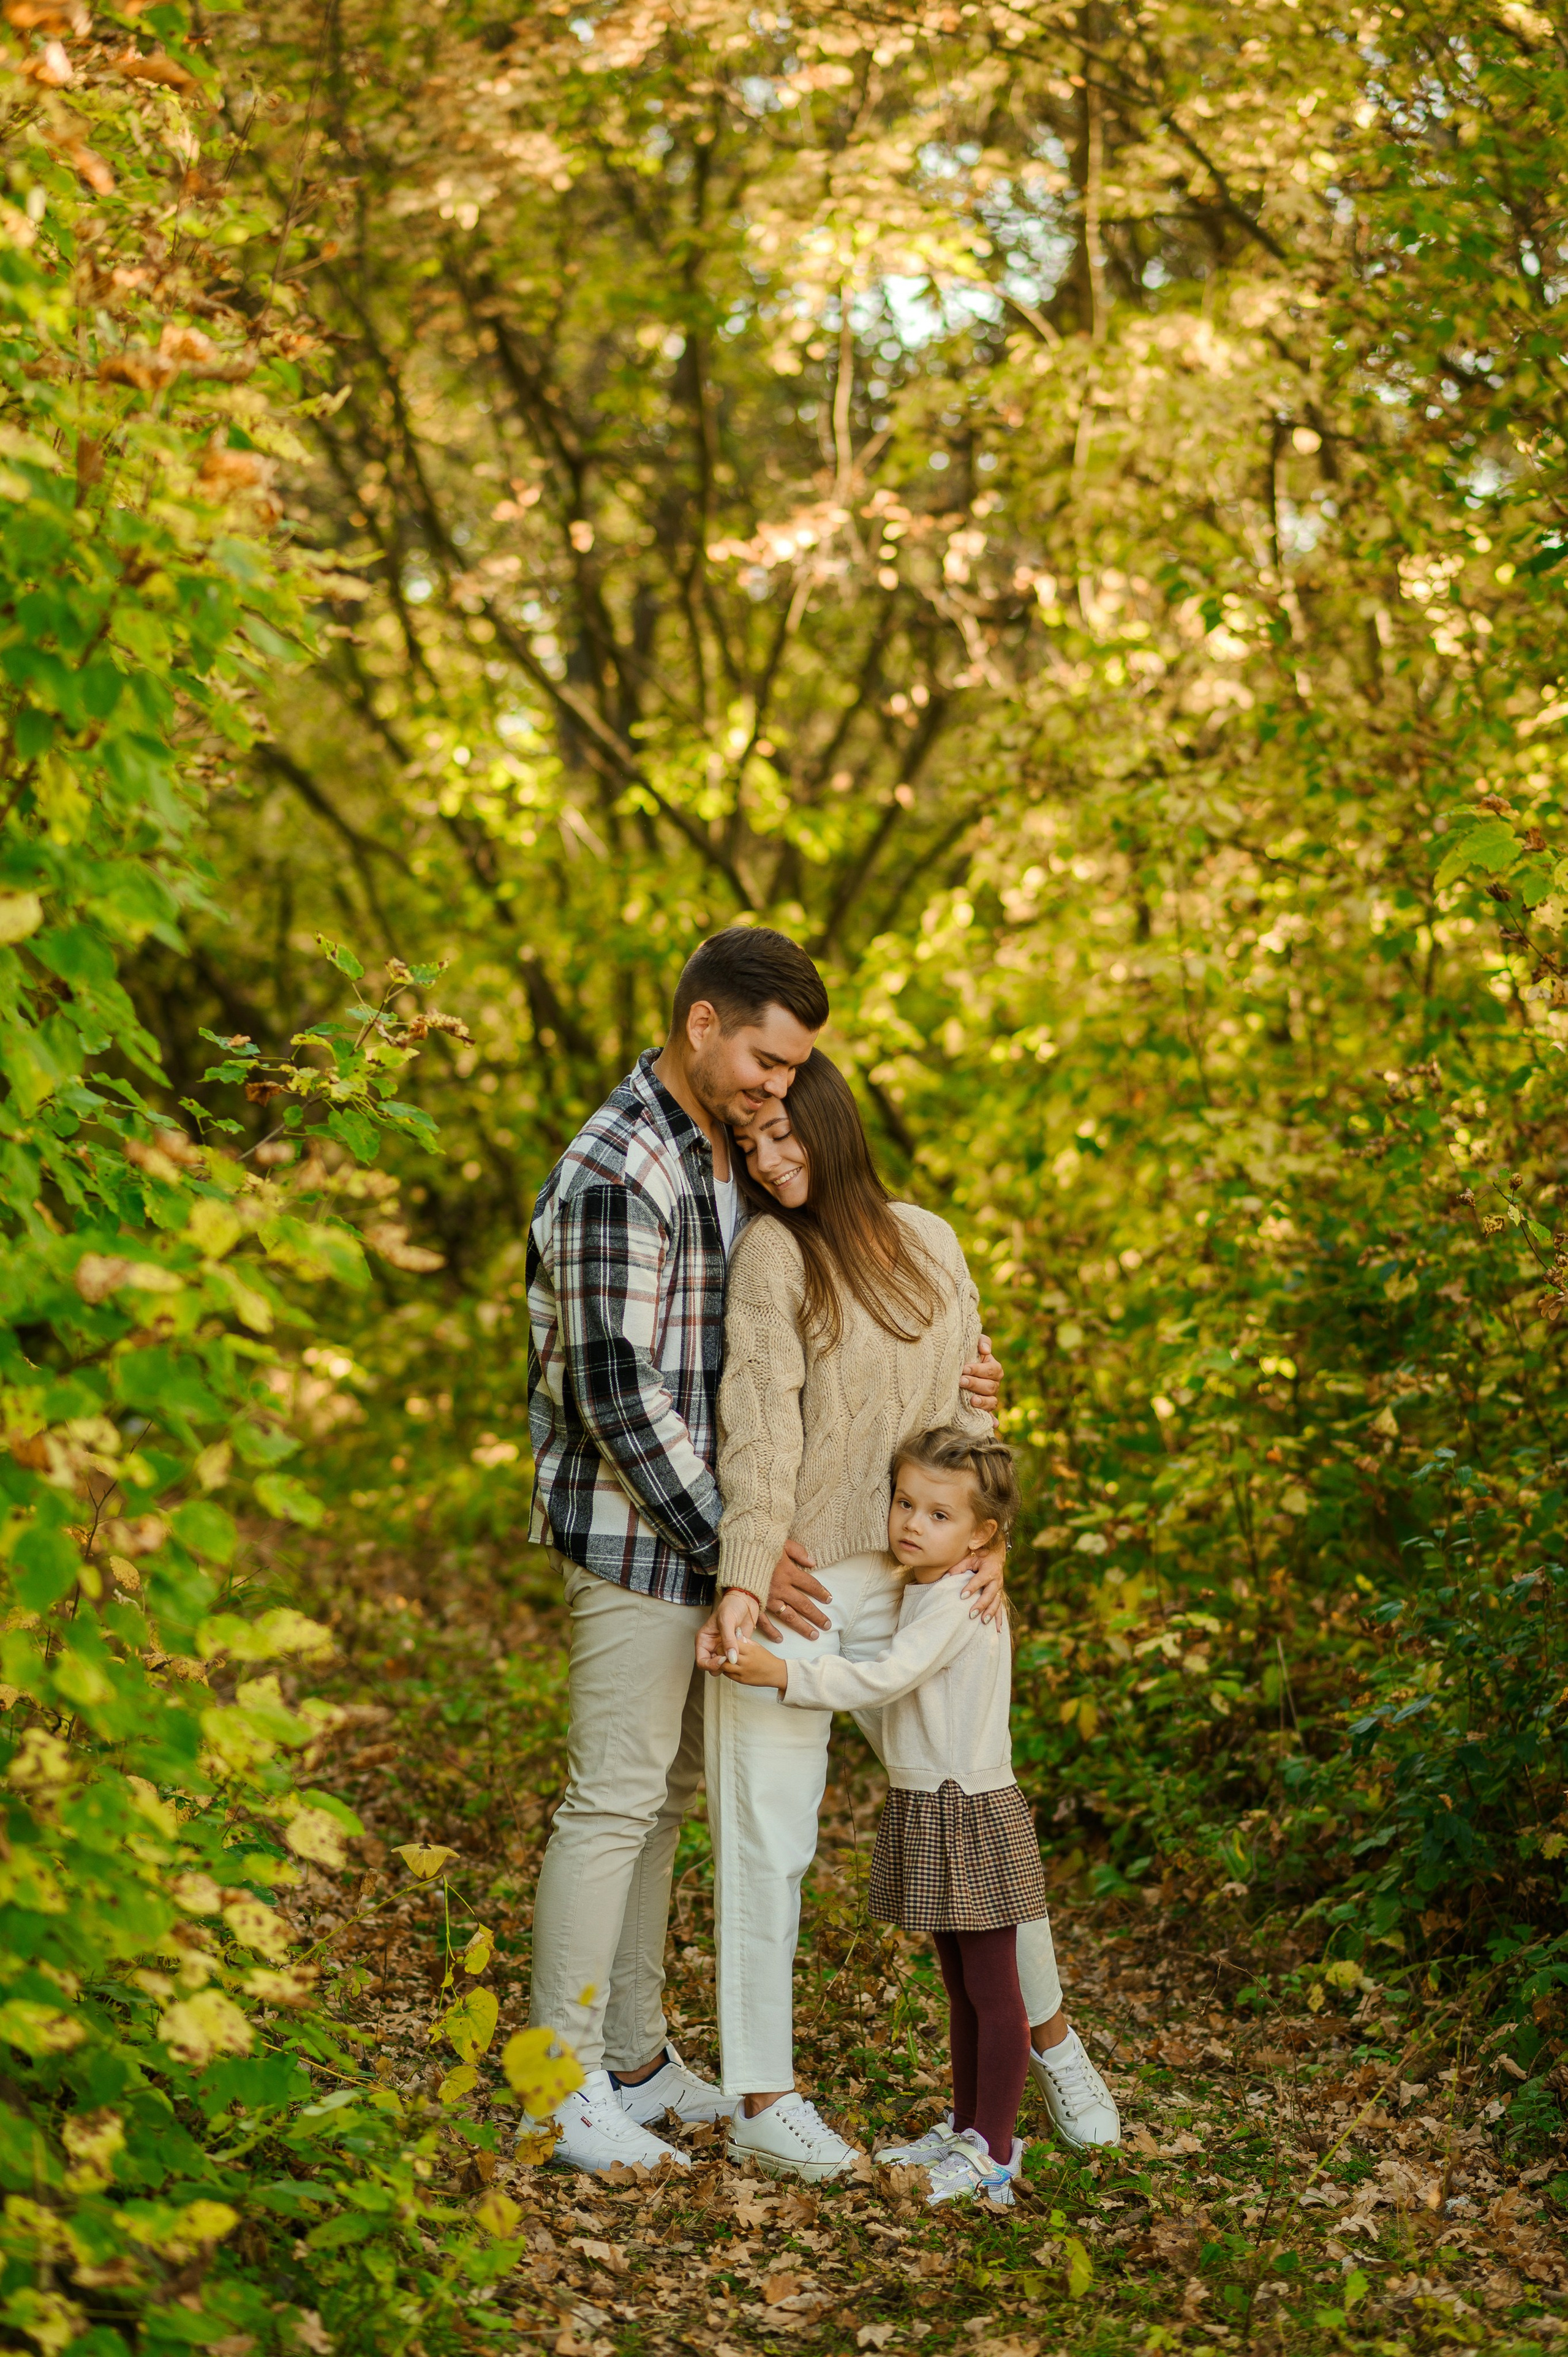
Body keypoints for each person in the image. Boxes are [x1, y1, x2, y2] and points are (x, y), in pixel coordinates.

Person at [522, 928, 999, 2174]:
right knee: (612, 1799)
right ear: (698, 1024)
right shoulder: (620, 1163)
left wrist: (958, 1384)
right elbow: (610, 1387)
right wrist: (742, 1549)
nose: (776, 1086)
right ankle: (554, 2083)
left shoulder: (719, 1154)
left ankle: (629, 2057)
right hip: (636, 1536)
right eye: (763, 1057)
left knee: (665, 1801)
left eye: (794, 1070)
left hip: (705, 1547)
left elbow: (809, 1338)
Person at [696, 1055, 1118, 2180]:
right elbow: (759, 1422)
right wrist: (745, 1569)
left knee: (984, 1827)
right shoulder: (771, 1252)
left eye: (788, 1135)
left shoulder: (932, 1238)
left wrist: (991, 1544)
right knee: (765, 1840)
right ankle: (762, 2090)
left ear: (835, 1124)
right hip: (803, 1579)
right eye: (754, 1147)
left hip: (928, 1573)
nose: (773, 1161)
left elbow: (968, 1421)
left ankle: (1053, 2038)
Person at [719, 1427, 1104, 2208]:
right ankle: (967, 2127)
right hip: (933, 1806)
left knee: (995, 1992)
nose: (910, 1523)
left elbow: (885, 1674)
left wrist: (780, 1671)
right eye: (904, 1502)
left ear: (981, 1535)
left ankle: (994, 2155)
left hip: (968, 1810)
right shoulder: (926, 1584)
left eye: (937, 1513)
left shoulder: (958, 1595)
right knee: (961, 1986)